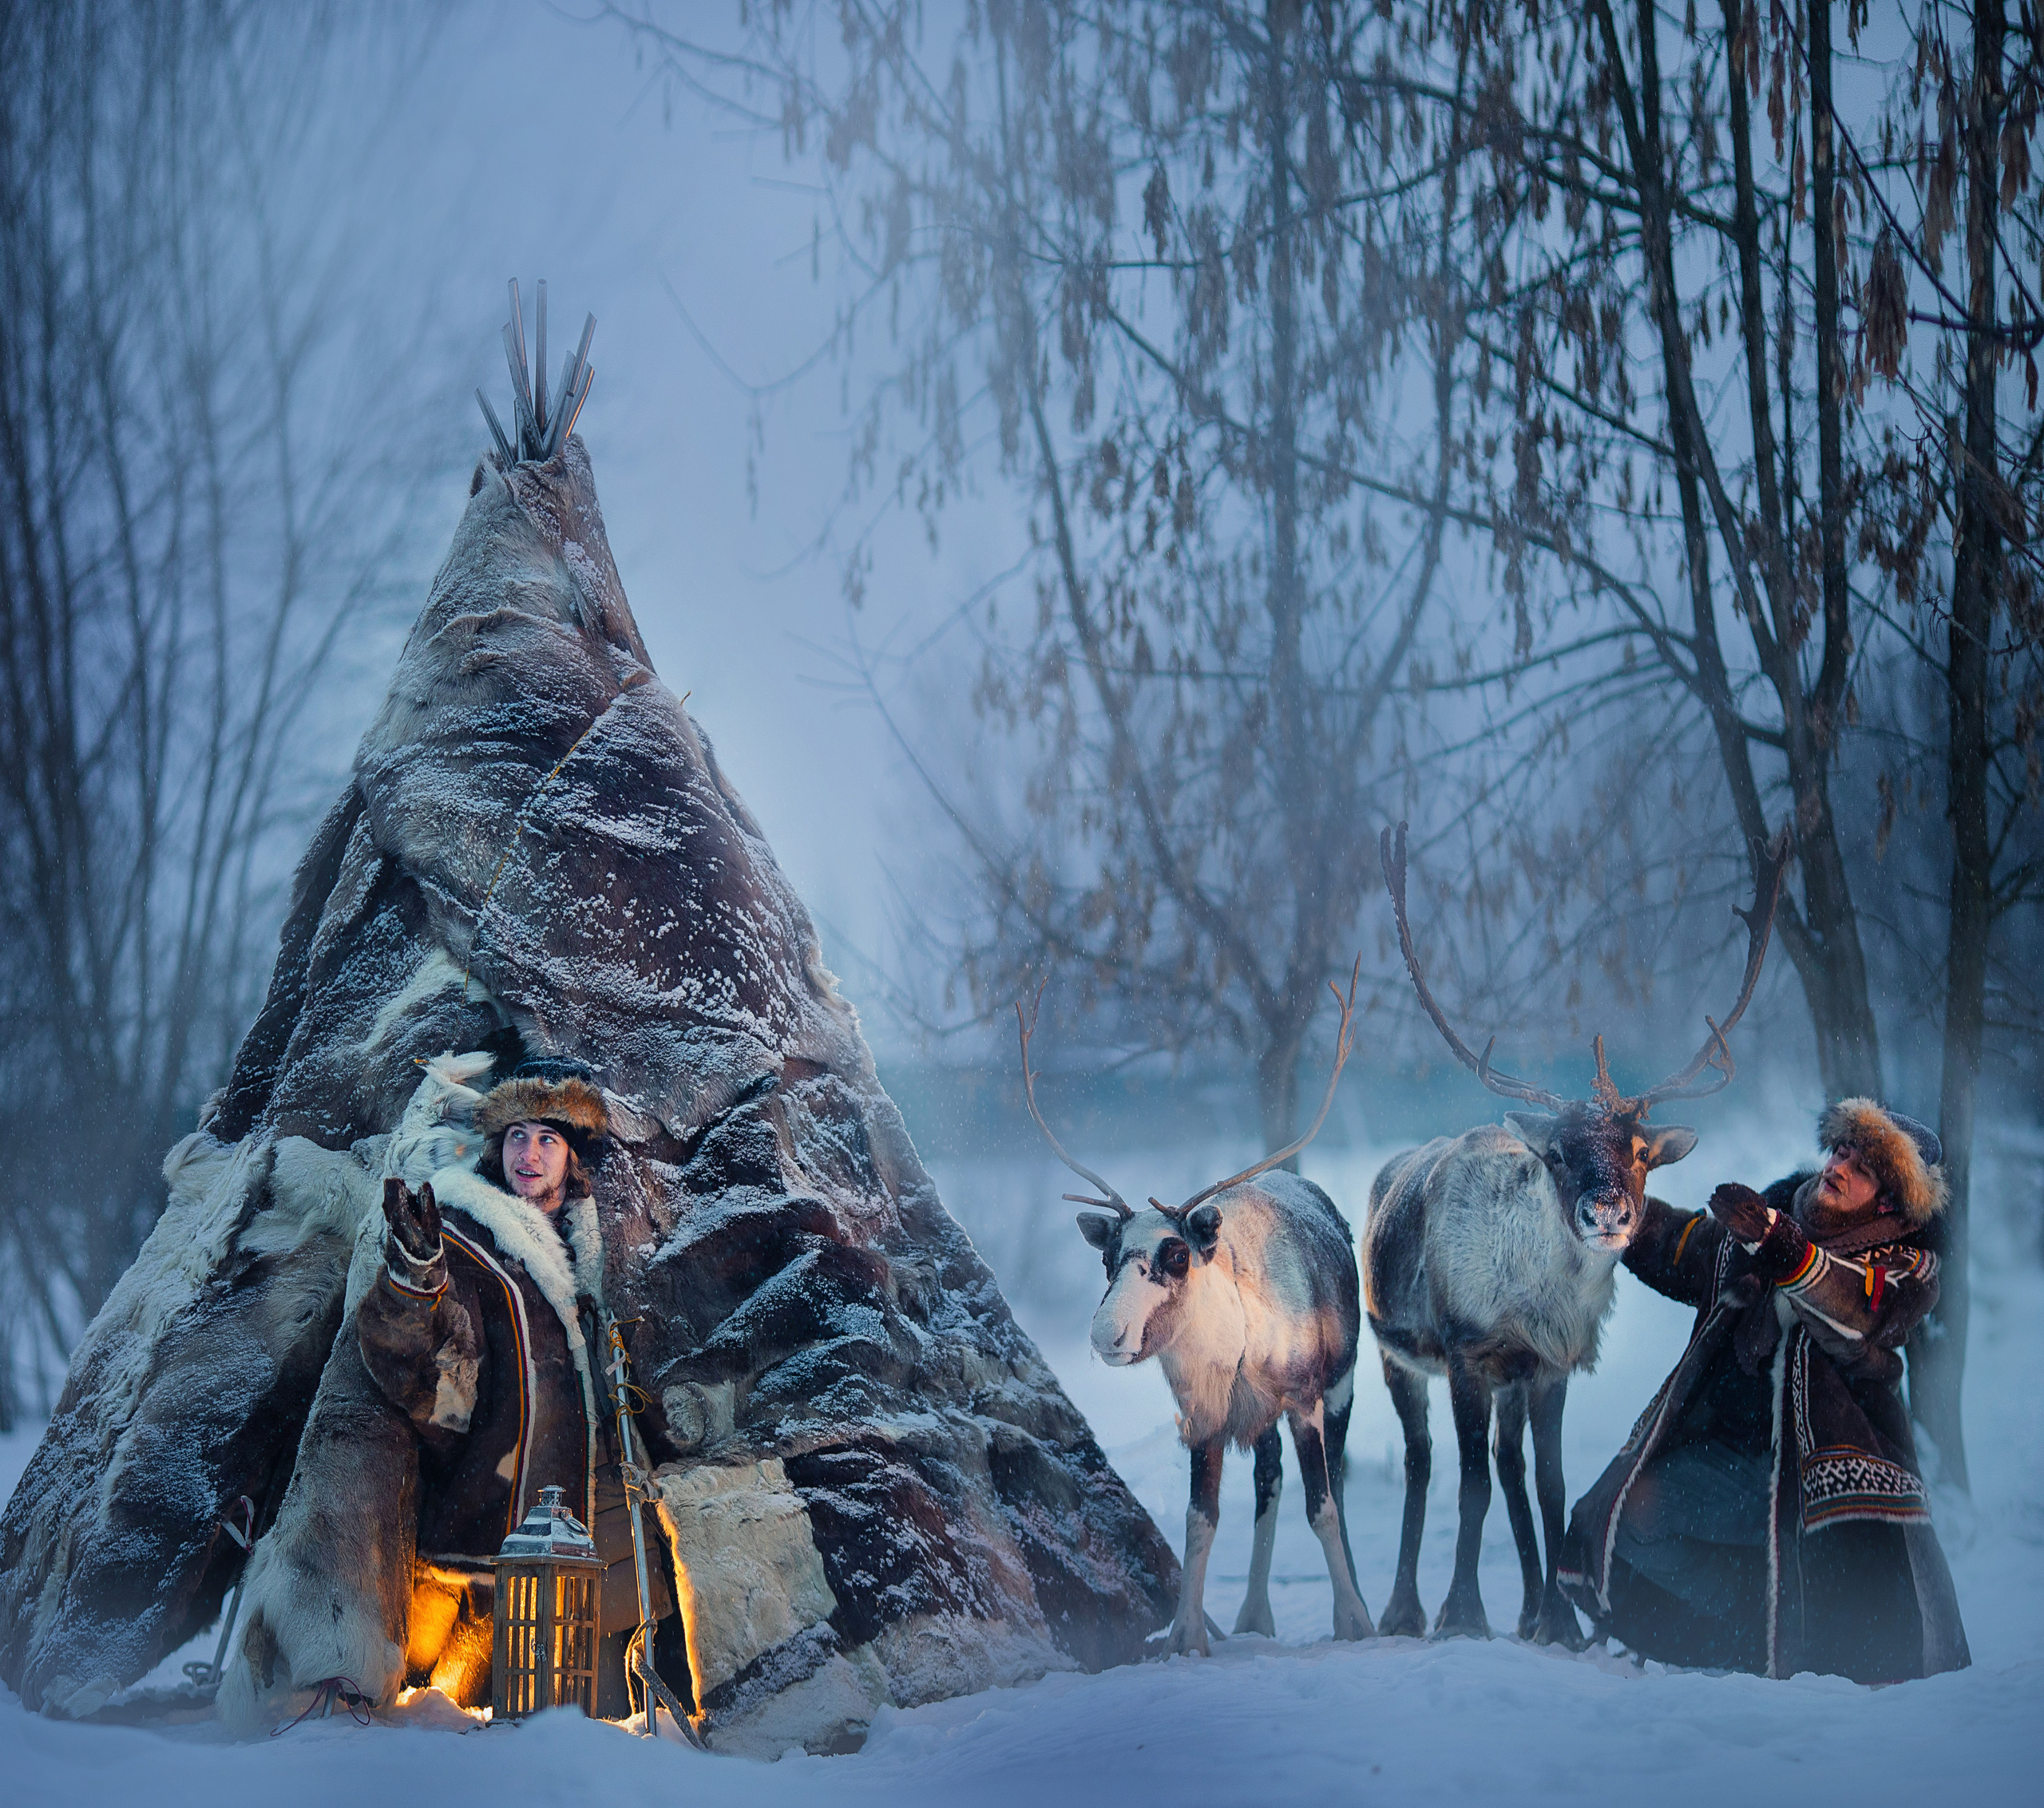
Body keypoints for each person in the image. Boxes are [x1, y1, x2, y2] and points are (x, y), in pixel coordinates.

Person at [1559, 1098, 1970, 1682]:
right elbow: (1682, 1244)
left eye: (1863, 1166)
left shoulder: (1906, 1264)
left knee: (1850, 1622)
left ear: (1886, 1198)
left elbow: (1855, 1308)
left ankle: (1788, 1633)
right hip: (1737, 1465)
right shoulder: (1769, 1218)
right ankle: (1746, 1624)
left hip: (1832, 1485)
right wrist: (1613, 1203)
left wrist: (1776, 1242)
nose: (1841, 1165)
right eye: (1842, 1148)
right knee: (1627, 1515)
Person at [355, 1056, 686, 1717]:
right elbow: (422, 1365)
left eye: (547, 1139)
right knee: (515, 1714)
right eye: (516, 1137)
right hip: (509, 1509)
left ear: (572, 1153)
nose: (529, 1155)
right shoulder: (464, 1237)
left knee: (632, 1700)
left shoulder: (608, 1240)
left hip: (612, 1502)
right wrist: (414, 1280)